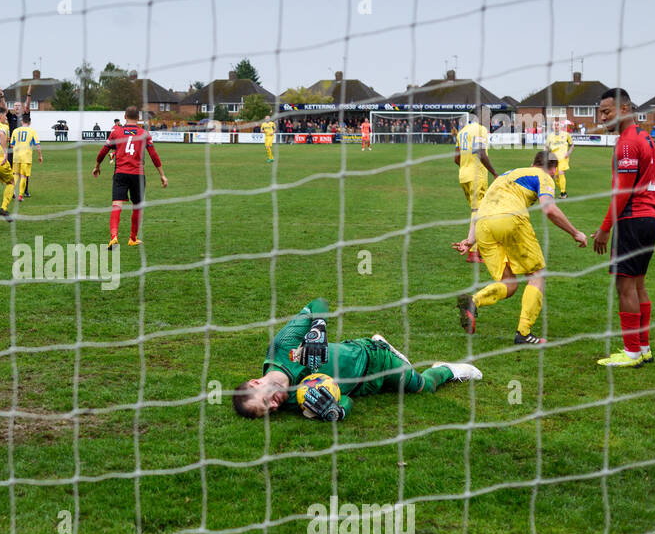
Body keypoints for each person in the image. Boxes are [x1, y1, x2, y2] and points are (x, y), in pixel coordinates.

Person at [232, 296, 482, 420]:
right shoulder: (293, 401)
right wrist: (335, 411)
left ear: (256, 382)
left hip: (374, 360)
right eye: (270, 411)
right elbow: (346, 401)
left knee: (423, 387)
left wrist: (317, 327)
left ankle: (449, 370)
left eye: (266, 402)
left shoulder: (281, 346)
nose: (274, 406)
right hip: (364, 388)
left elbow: (319, 302)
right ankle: (387, 347)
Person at [453, 151, 588, 345]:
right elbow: (549, 208)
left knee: (510, 283)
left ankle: (473, 302)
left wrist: (470, 239)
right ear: (553, 170)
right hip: (509, 218)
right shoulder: (543, 176)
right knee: (537, 274)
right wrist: (576, 233)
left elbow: (482, 207)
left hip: (483, 225)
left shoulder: (506, 175)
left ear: (532, 162)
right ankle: (524, 333)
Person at [592, 88, 655, 367]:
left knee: (625, 286)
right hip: (650, 218)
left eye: (606, 112)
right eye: (600, 112)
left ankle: (631, 352)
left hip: (632, 219)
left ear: (624, 109)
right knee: (639, 284)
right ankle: (643, 348)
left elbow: (623, 190)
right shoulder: (643, 136)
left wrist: (605, 227)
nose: (602, 117)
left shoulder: (627, 142)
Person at [91, 106, 167, 249]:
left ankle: (114, 237)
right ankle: (132, 238)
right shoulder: (144, 133)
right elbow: (154, 156)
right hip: (138, 175)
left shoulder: (116, 132)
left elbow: (103, 151)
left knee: (117, 205)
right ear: (138, 118)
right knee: (137, 206)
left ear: (124, 117)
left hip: (120, 173)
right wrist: (162, 175)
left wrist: (97, 166)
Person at [454, 109, 498, 264]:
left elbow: (456, 158)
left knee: (477, 212)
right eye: (489, 116)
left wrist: (466, 165)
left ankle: (477, 249)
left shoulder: (463, 131)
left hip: (463, 176)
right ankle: (473, 253)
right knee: (479, 213)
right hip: (476, 176)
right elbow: (480, 152)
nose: (490, 119)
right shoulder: (481, 130)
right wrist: (494, 173)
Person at [10, 111, 42, 203]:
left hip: (16, 157)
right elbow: (37, 145)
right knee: (23, 176)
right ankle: (20, 195)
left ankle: (13, 192)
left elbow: (11, 145)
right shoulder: (32, 131)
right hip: (26, 157)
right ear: (30, 123)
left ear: (21, 121)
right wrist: (40, 156)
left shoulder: (15, 131)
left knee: (15, 175)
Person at [546, 120, 573, 198]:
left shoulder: (566, 134)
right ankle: (563, 191)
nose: (556, 126)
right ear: (552, 126)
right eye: (555, 125)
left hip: (563, 157)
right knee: (556, 177)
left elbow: (572, 145)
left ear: (560, 126)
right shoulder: (550, 136)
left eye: (557, 125)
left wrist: (568, 153)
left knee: (561, 172)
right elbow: (547, 147)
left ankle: (563, 193)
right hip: (552, 157)